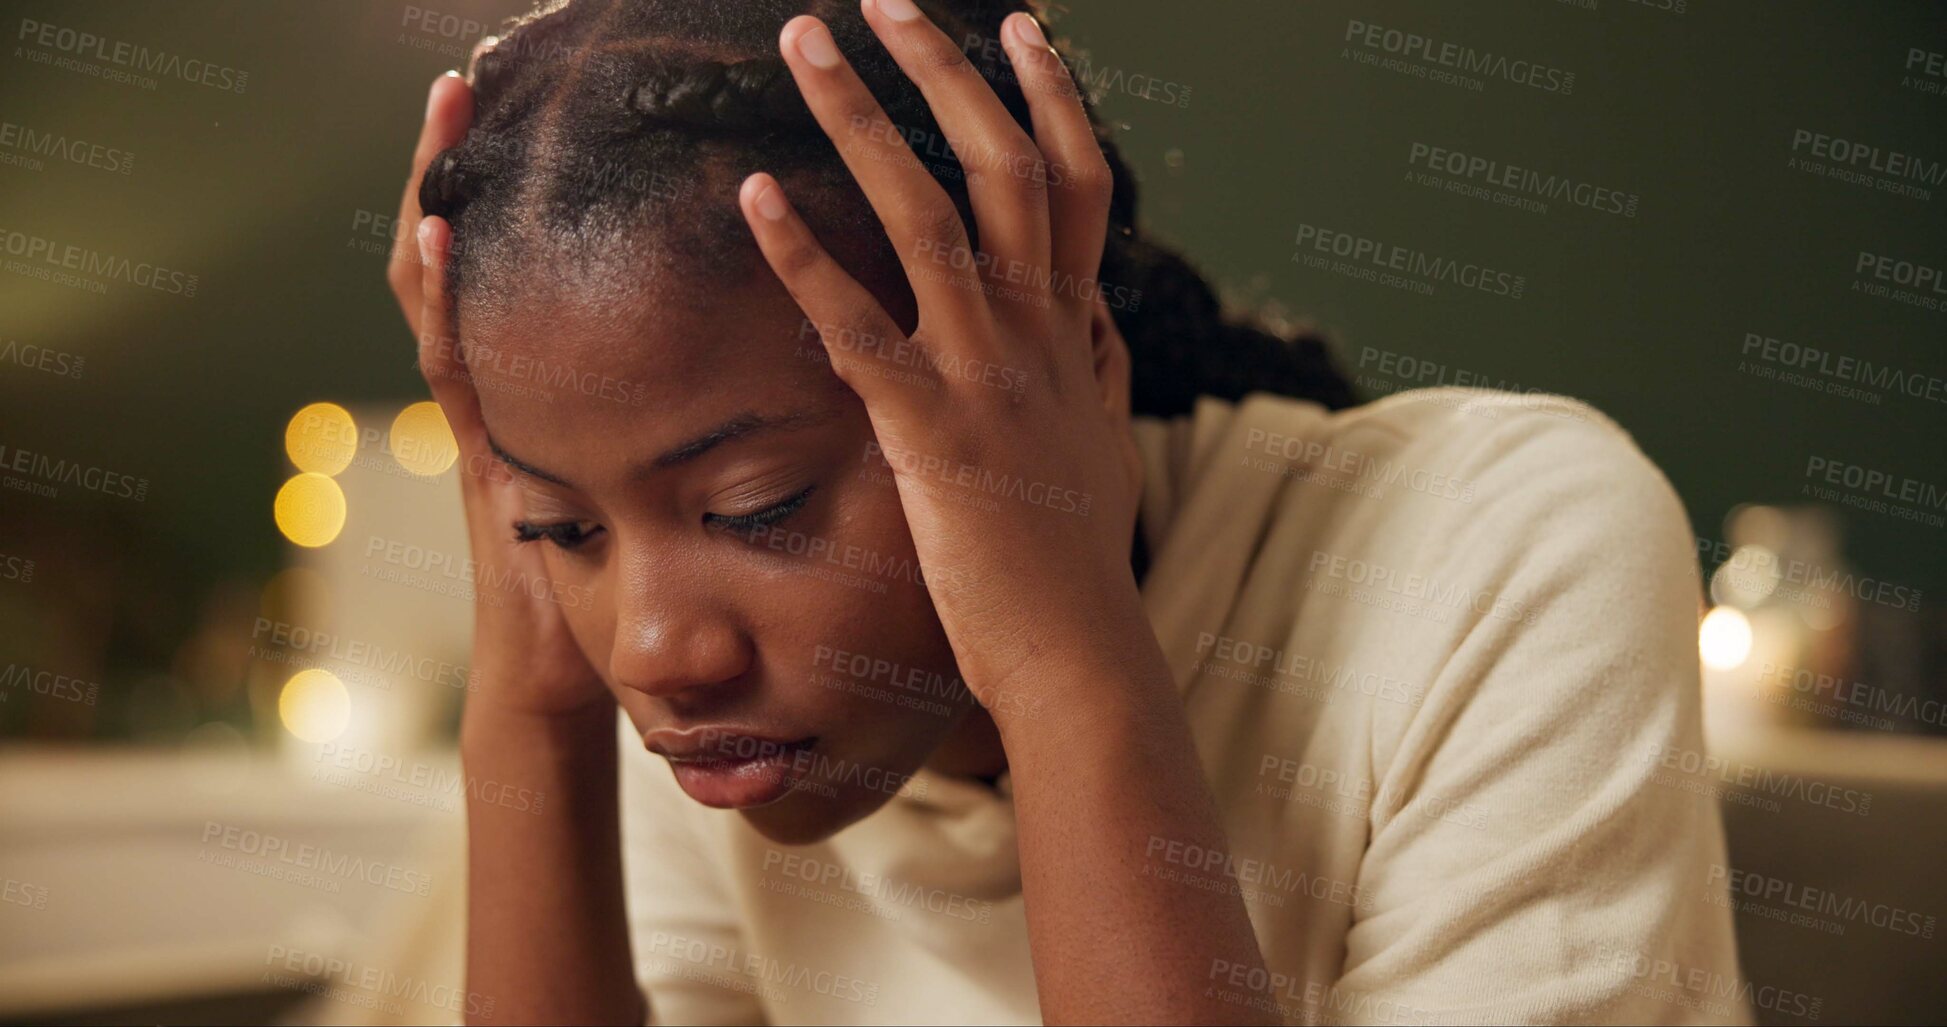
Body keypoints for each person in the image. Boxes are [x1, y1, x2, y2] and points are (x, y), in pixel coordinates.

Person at [384, 0, 1746, 1022]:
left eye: (759, 506)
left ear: (1066, 364)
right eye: (565, 530)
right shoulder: (719, 729)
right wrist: (533, 701)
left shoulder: (1503, 551)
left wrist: (1061, 663)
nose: (653, 651)